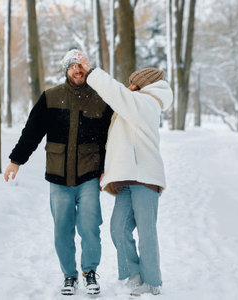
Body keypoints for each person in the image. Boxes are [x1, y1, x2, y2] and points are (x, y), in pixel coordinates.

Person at [4, 49, 113, 296]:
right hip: (59, 177)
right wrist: (16, 160)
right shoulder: (51, 97)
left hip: (89, 175)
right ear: (66, 70)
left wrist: (107, 169)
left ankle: (90, 272)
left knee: (90, 227)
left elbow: (109, 139)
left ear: (88, 69)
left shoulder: (100, 99)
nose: (78, 69)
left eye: (82, 65)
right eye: (73, 65)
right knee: (62, 229)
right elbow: (31, 132)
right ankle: (69, 275)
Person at [79, 56, 172, 296]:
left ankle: (152, 282)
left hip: (146, 179)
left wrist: (92, 73)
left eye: (133, 84)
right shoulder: (136, 104)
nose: (128, 87)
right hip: (127, 179)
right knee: (117, 229)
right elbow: (118, 143)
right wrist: (108, 173)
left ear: (143, 86)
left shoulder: (147, 104)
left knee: (146, 233)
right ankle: (132, 275)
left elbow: (117, 93)